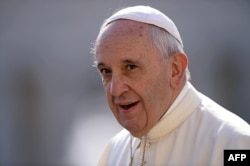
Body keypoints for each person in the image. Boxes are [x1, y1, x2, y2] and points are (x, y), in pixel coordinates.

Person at [92, 5, 250, 166]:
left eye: (131, 67)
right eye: (106, 71)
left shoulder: (234, 144)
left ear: (175, 70)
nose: (115, 89)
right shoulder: (113, 151)